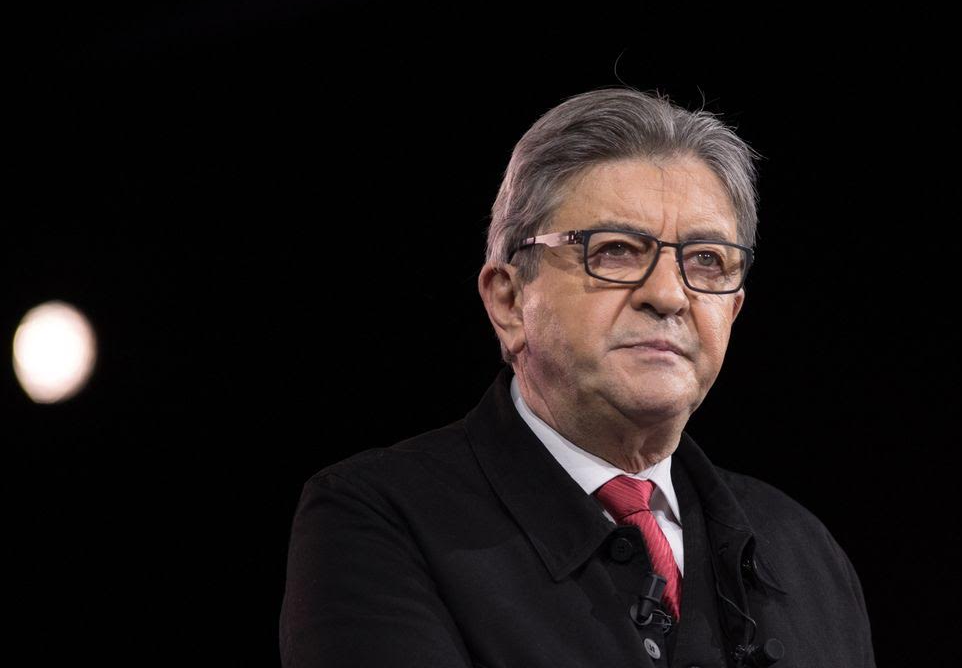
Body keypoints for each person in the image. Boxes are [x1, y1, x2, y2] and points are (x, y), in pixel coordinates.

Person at [279, 87, 875, 667]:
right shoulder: (377, 521)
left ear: (734, 310)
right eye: (615, 250)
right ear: (510, 301)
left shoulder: (805, 552)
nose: (669, 295)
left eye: (706, 261)